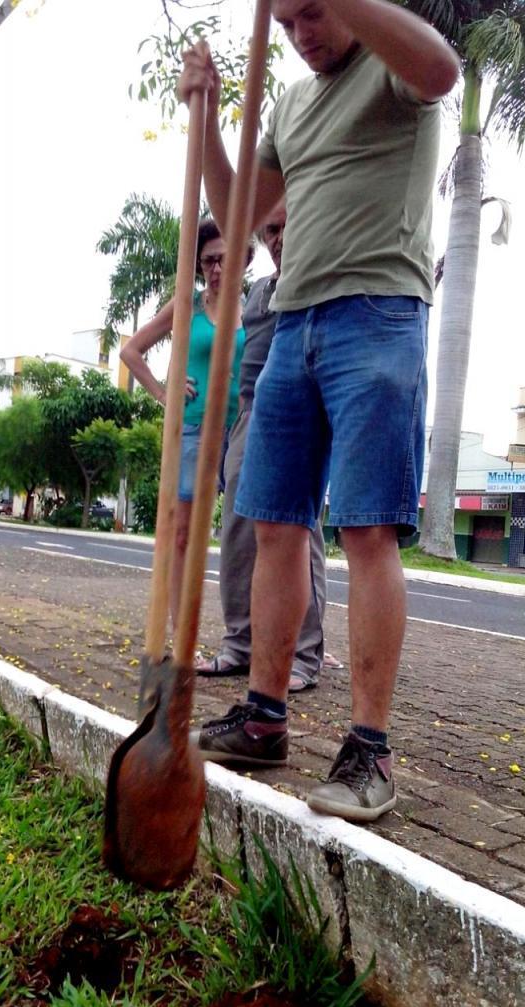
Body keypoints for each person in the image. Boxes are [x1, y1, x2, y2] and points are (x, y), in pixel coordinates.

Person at [179, 0, 459, 821]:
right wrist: (202, 123)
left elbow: (442, 69)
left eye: (313, 14)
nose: (302, 33)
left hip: (376, 314)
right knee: (272, 524)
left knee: (366, 528)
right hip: (292, 321)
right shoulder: (293, 101)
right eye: (290, 19)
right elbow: (238, 214)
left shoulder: (390, 66)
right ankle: (264, 717)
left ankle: (368, 751)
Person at [195, 201, 342, 692]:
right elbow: (241, 372)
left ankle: (303, 655)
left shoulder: (321, 287)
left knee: (297, 533)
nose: (279, 238)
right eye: (272, 230)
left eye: (287, 227)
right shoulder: (257, 295)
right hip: (250, 418)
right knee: (236, 528)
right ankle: (239, 643)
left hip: (299, 416)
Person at [120, 219, 248, 627]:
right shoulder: (187, 306)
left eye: (225, 260)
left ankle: (245, 637)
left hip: (243, 430)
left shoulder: (257, 305)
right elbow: (131, 351)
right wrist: (164, 392)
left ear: (243, 262)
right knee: (183, 535)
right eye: (209, 260)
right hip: (193, 429)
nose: (216, 269)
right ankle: (180, 633)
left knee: (247, 537)